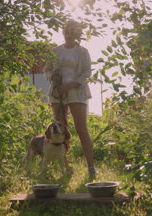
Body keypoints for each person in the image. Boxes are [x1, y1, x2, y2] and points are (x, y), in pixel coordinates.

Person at [44, 20, 97, 178]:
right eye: (66, 32)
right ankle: (65, 166)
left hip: (77, 92)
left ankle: (91, 167)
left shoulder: (83, 52)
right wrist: (51, 76)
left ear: (77, 35)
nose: (68, 35)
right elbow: (46, 70)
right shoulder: (54, 51)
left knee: (81, 129)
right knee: (60, 129)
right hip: (57, 93)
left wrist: (71, 85)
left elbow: (87, 73)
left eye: (72, 32)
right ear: (63, 32)